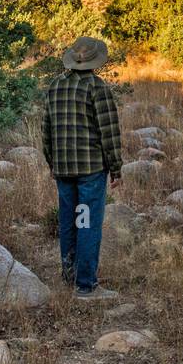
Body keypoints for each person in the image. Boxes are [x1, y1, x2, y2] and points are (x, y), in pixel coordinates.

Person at [42, 36, 123, 300]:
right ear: (95, 62)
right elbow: (109, 132)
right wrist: (116, 168)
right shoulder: (97, 88)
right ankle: (86, 286)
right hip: (90, 170)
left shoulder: (55, 86)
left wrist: (52, 163)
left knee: (69, 222)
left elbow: (47, 131)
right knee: (87, 224)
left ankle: (70, 276)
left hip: (64, 169)